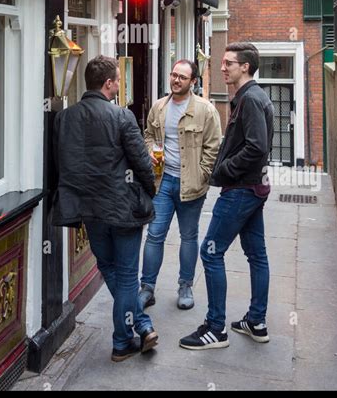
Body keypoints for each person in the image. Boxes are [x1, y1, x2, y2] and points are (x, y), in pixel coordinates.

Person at [52, 55, 158, 362]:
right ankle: (123, 341)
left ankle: (140, 324)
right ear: (108, 83)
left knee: (109, 268)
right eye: (116, 80)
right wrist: (150, 192)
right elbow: (142, 163)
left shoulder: (65, 118)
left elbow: (62, 164)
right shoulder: (122, 117)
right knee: (126, 276)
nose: (118, 85)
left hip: (90, 210)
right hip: (123, 210)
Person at [180, 42, 274, 350]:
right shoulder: (252, 97)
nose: (222, 68)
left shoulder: (250, 100)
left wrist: (224, 170)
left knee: (210, 252)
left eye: (228, 63)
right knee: (256, 254)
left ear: (245, 67)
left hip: (241, 190)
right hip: (253, 188)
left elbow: (257, 147)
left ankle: (215, 328)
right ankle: (256, 321)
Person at [138, 60, 222, 311]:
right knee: (154, 235)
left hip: (191, 185)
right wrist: (149, 150)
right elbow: (148, 136)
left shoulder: (206, 111)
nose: (175, 80)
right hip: (162, 182)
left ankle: (185, 285)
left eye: (182, 77)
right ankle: (147, 288)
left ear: (193, 82)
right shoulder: (159, 107)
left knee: (189, 237)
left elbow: (213, 147)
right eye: (174, 75)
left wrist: (203, 174)